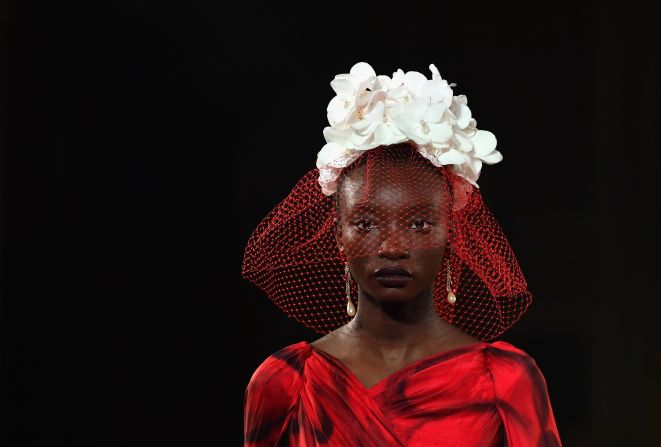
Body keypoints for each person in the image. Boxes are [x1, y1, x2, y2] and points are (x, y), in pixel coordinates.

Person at [242, 62, 562, 446]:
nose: (392, 247)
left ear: (451, 233)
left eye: (419, 225)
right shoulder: (286, 383)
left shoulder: (505, 381)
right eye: (365, 224)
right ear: (339, 236)